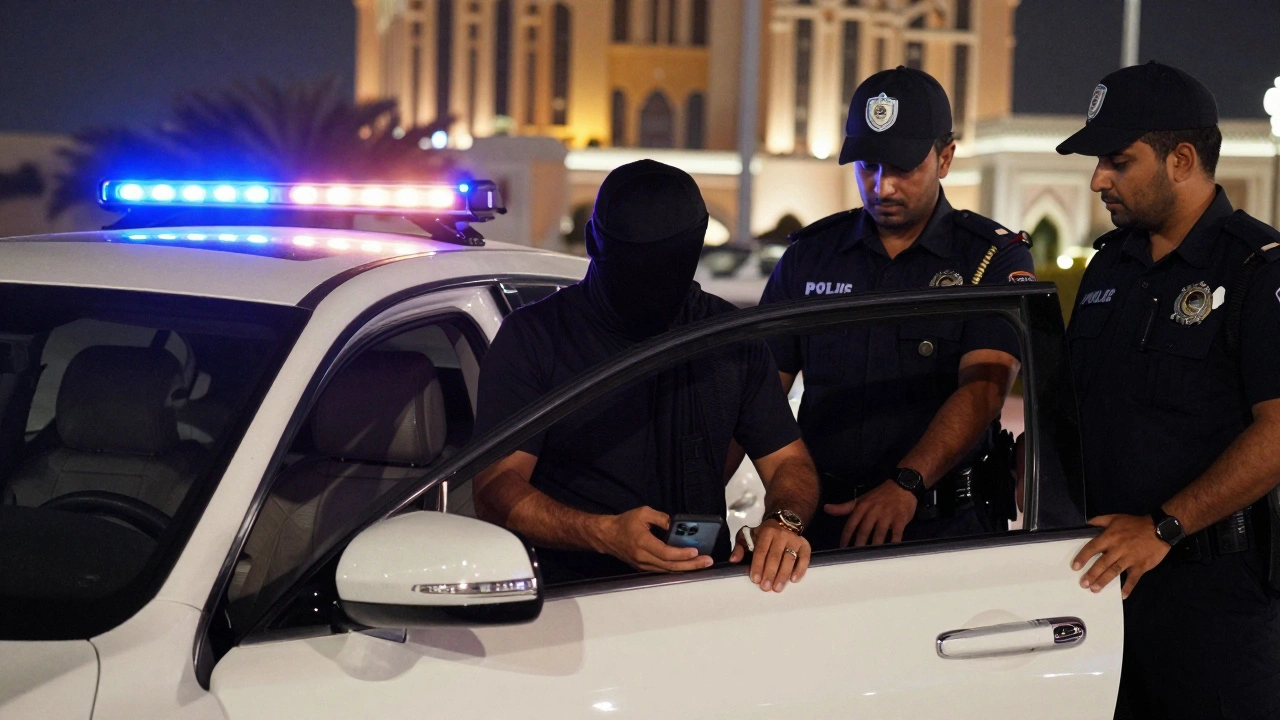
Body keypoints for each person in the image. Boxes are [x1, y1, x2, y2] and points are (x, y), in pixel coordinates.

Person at [472, 159, 820, 591]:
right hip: (569, 600)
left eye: (666, 274)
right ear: (594, 243)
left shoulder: (731, 340)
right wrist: (602, 533)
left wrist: (783, 522)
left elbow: (788, 461)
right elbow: (495, 487)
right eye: (634, 274)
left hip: (703, 595)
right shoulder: (535, 337)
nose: (650, 291)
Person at [1057, 61, 1280, 719]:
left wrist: (1164, 527)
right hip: (1102, 588)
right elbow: (1070, 408)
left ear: (1181, 160)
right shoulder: (1109, 265)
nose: (1098, 179)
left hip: (1216, 602)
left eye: (1118, 161)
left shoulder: (1257, 270)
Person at [758, 66, 1034, 551]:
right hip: (823, 529)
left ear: (945, 158)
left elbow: (985, 389)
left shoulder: (991, 258)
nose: (882, 187)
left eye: (903, 169)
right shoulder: (810, 256)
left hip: (946, 530)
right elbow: (758, 393)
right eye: (868, 166)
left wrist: (907, 484)